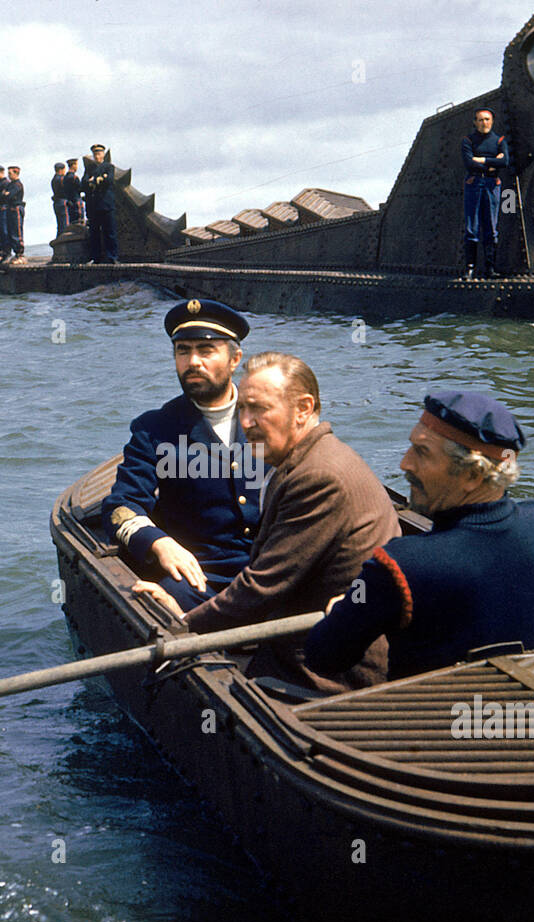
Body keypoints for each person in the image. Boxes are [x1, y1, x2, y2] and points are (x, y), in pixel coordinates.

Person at [304, 391, 534, 683]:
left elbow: (325, 656)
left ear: (473, 475)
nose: (404, 463)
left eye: (421, 452)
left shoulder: (399, 566)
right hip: (523, 716)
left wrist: (344, 608)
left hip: (429, 735)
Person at [136, 352, 400, 693]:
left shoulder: (318, 477)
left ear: (303, 409)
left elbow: (263, 588)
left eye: (259, 409)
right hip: (313, 638)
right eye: (242, 409)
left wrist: (183, 626)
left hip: (326, 671)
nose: (245, 422)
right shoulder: (311, 460)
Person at [101, 299, 263, 612]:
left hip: (274, 569)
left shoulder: (267, 416)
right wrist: (159, 543)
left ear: (235, 359)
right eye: (183, 350)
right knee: (162, 613)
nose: (193, 361)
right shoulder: (155, 429)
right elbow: (120, 506)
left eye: (206, 350)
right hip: (200, 578)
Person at [461, 108, 508, 279]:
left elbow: (505, 161)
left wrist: (482, 159)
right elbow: (469, 163)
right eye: (480, 120)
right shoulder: (468, 141)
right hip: (474, 183)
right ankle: (470, 268)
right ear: (475, 122)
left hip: (492, 184)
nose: (484, 123)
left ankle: (490, 268)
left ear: (492, 121)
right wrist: (492, 163)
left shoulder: (499, 140)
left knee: (491, 226)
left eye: (487, 119)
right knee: (471, 226)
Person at [84, 143, 119, 263]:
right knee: (94, 234)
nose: (97, 156)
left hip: (106, 204)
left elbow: (109, 180)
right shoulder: (89, 169)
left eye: (99, 153)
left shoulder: (109, 167)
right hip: (94, 206)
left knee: (110, 232)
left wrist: (95, 180)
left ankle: (112, 257)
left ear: (103, 154)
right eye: (95, 154)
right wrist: (97, 179)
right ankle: (96, 258)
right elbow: (84, 183)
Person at [6, 165, 26, 264]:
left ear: (16, 173)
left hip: (16, 209)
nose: (8, 176)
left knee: (17, 231)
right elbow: (4, 194)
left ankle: (20, 254)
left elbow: (9, 195)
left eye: (10, 173)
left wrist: (6, 194)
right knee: (12, 231)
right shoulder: (10, 184)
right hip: (11, 209)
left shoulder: (17, 185)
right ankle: (16, 253)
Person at [51, 162, 71, 235]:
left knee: (60, 224)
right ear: (61, 170)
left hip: (57, 202)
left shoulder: (54, 179)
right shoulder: (62, 179)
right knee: (65, 224)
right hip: (63, 202)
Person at [64, 158, 86, 226]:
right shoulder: (74, 178)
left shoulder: (65, 178)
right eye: (76, 165)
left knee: (72, 222)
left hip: (70, 201)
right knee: (80, 221)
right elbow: (81, 188)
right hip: (76, 201)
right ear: (73, 165)